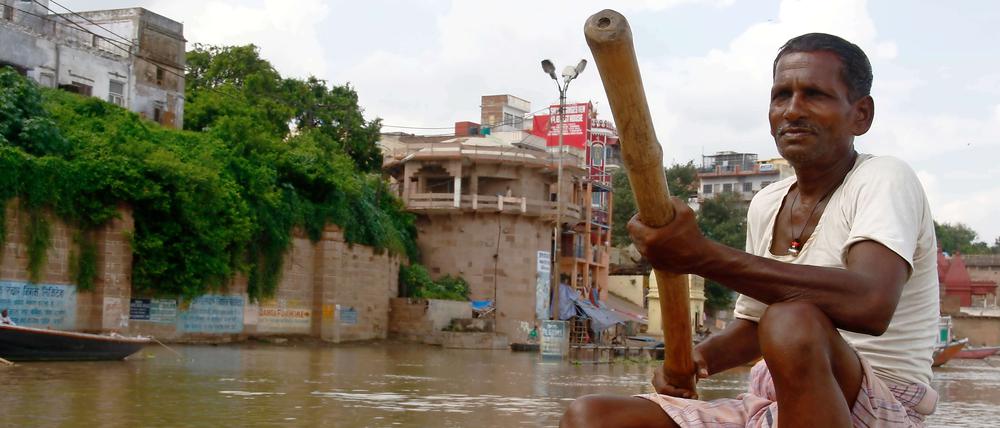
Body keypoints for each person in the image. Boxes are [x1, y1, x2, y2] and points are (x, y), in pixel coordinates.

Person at [561, 33, 939, 427]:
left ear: (861, 114)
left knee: (790, 319)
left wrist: (701, 256)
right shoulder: (766, 203)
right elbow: (754, 327)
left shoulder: (884, 177)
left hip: (882, 407)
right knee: (591, 416)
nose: (793, 110)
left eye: (814, 95)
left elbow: (870, 304)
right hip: (774, 401)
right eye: (781, 96)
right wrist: (697, 361)